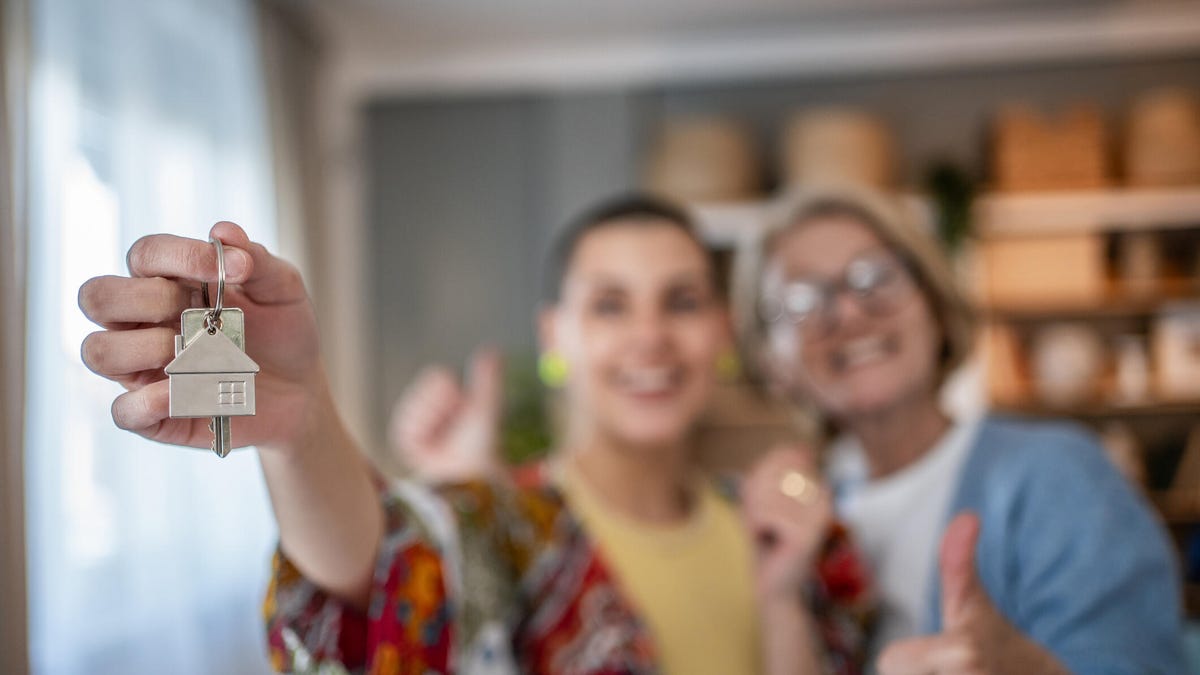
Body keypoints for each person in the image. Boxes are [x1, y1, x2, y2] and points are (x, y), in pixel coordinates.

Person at [78, 196, 873, 674]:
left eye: (682, 301)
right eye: (609, 304)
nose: (651, 336)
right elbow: (376, 577)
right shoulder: (500, 523)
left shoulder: (794, 532)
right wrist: (301, 424)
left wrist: (781, 601)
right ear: (554, 336)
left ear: (722, 332)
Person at [731, 186, 1187, 674]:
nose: (848, 312)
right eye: (802, 299)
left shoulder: (1058, 476)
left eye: (876, 277)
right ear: (772, 362)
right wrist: (780, 597)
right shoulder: (801, 513)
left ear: (937, 308)